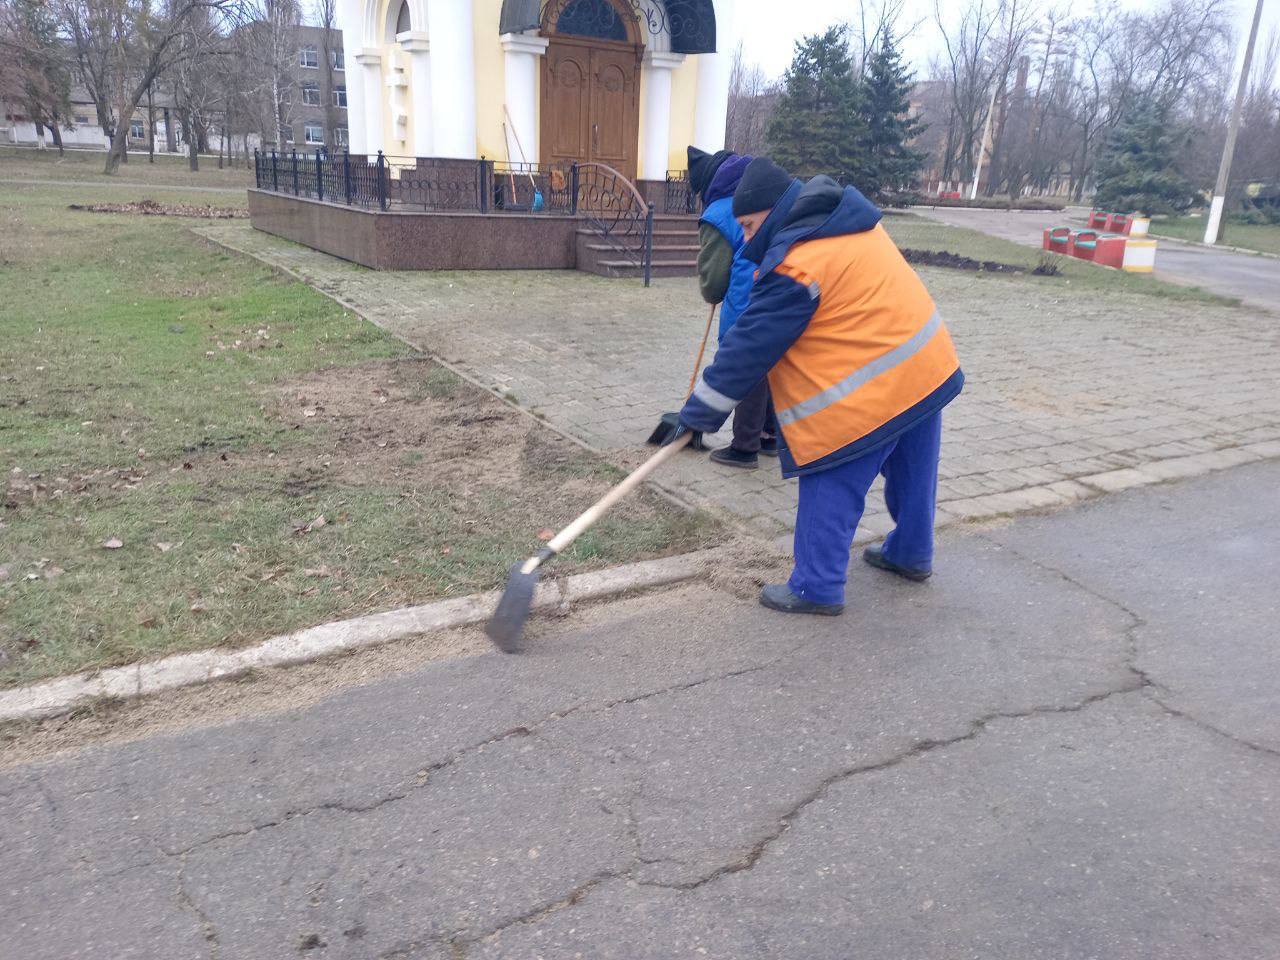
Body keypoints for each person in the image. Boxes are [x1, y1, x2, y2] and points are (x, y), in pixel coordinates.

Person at [672, 157, 964, 616]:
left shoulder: (798, 264)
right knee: (914, 472)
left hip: (873, 390)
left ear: (773, 211)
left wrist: (696, 415)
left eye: (748, 227)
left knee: (829, 477)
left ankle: (816, 586)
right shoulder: (847, 223)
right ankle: (910, 553)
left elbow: (748, 347)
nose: (746, 240)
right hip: (928, 367)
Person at [686, 146, 778, 470]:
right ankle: (770, 436)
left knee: (745, 366)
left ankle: (744, 446)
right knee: (770, 364)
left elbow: (713, 279)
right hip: (775, 294)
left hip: (745, 299)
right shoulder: (759, 197)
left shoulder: (717, 213)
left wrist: (712, 292)